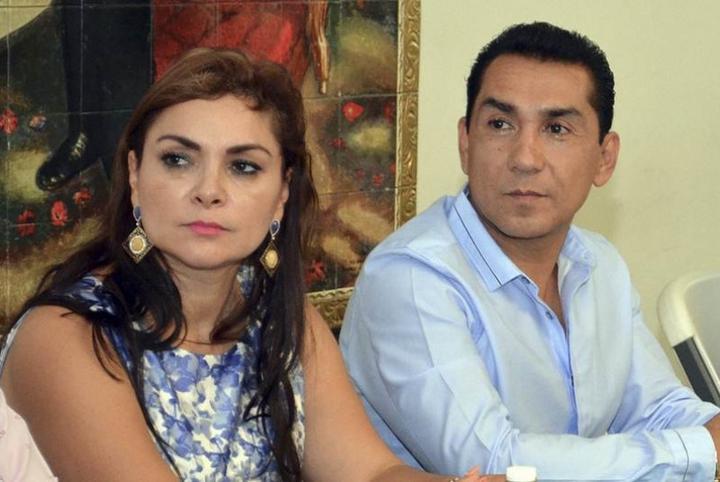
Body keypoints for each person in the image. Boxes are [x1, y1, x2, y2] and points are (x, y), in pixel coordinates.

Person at [0, 48, 495, 482]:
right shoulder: (66, 335)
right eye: (178, 159)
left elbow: (370, 472)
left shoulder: (282, 318)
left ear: (282, 193)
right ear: (134, 175)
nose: (209, 191)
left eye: (243, 167)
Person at [340, 21, 720, 481]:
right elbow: (490, 463)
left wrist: (706, 437)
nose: (524, 158)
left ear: (604, 159)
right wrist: (700, 449)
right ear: (465, 143)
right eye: (500, 124)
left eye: (556, 128)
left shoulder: (598, 263)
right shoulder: (410, 278)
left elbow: (657, 408)